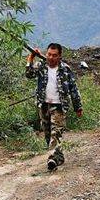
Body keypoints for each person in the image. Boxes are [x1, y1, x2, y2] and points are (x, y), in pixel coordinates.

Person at [25, 42, 83, 171]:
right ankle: (58, 158)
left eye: (54, 55)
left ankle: (51, 158)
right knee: (47, 133)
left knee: (56, 133)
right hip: (43, 105)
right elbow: (29, 75)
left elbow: (74, 88)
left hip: (59, 107)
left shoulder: (65, 69)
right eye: (49, 55)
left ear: (60, 56)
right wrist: (31, 58)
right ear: (46, 54)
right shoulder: (41, 66)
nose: (51, 58)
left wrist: (77, 106)